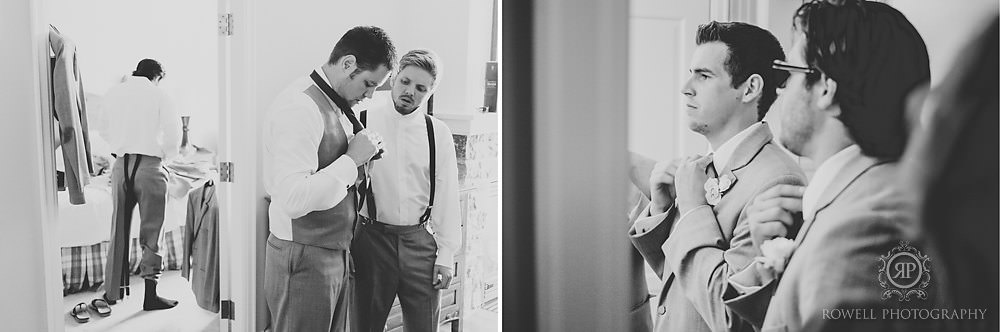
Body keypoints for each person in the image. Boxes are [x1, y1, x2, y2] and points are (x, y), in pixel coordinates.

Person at [721, 1, 933, 330]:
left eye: (789, 73)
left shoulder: (867, 227)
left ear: (825, 88)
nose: (780, 89)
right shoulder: (854, 199)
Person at [628, 21, 805, 332]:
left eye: (704, 75)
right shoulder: (699, 169)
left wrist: (695, 210)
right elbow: (684, 282)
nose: (686, 87)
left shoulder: (778, 181)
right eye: (691, 73)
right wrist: (660, 209)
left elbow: (733, 318)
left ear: (750, 88)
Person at [261, 26, 394, 332]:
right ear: (348, 64)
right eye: (369, 84)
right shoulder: (299, 107)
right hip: (304, 256)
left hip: (335, 253)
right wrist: (352, 160)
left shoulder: (335, 103)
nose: (371, 95)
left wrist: (363, 161)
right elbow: (294, 199)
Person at [351, 49, 461, 332]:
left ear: (430, 91)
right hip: (371, 241)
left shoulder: (438, 133)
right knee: (364, 326)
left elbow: (448, 196)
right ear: (395, 77)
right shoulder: (361, 119)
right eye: (405, 81)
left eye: (421, 88)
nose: (410, 91)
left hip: (420, 244)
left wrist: (446, 255)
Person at [100, 58, 182, 310]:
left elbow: (103, 130)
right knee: (152, 231)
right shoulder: (159, 95)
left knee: (118, 229)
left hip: (121, 165)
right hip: (149, 166)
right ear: (156, 76)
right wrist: (165, 155)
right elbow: (173, 134)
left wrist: (121, 146)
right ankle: (150, 295)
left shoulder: (113, 93)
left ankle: (112, 294)